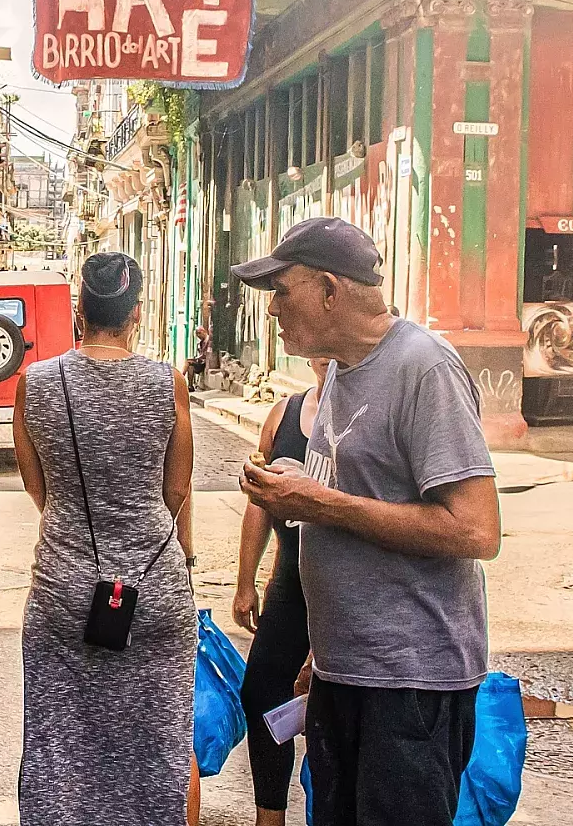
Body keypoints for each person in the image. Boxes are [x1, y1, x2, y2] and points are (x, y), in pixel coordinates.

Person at [234, 217, 502, 826]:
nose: (273, 310)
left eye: (283, 291)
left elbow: (476, 531)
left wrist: (318, 504)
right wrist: (322, 652)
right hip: (343, 675)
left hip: (409, 688)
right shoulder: (342, 375)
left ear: (330, 290)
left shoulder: (423, 368)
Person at [14, 252, 197, 826]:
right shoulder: (167, 383)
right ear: (135, 314)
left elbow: (38, 488)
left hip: (65, 590)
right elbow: (176, 491)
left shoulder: (35, 384)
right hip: (154, 590)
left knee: (61, 746)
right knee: (154, 747)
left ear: (79, 313)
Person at [234, 357, 329, 826]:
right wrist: (245, 581)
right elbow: (260, 503)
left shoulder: (364, 415)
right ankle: (268, 816)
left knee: (337, 705)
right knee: (261, 692)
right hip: (290, 585)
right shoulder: (285, 413)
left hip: (346, 592)